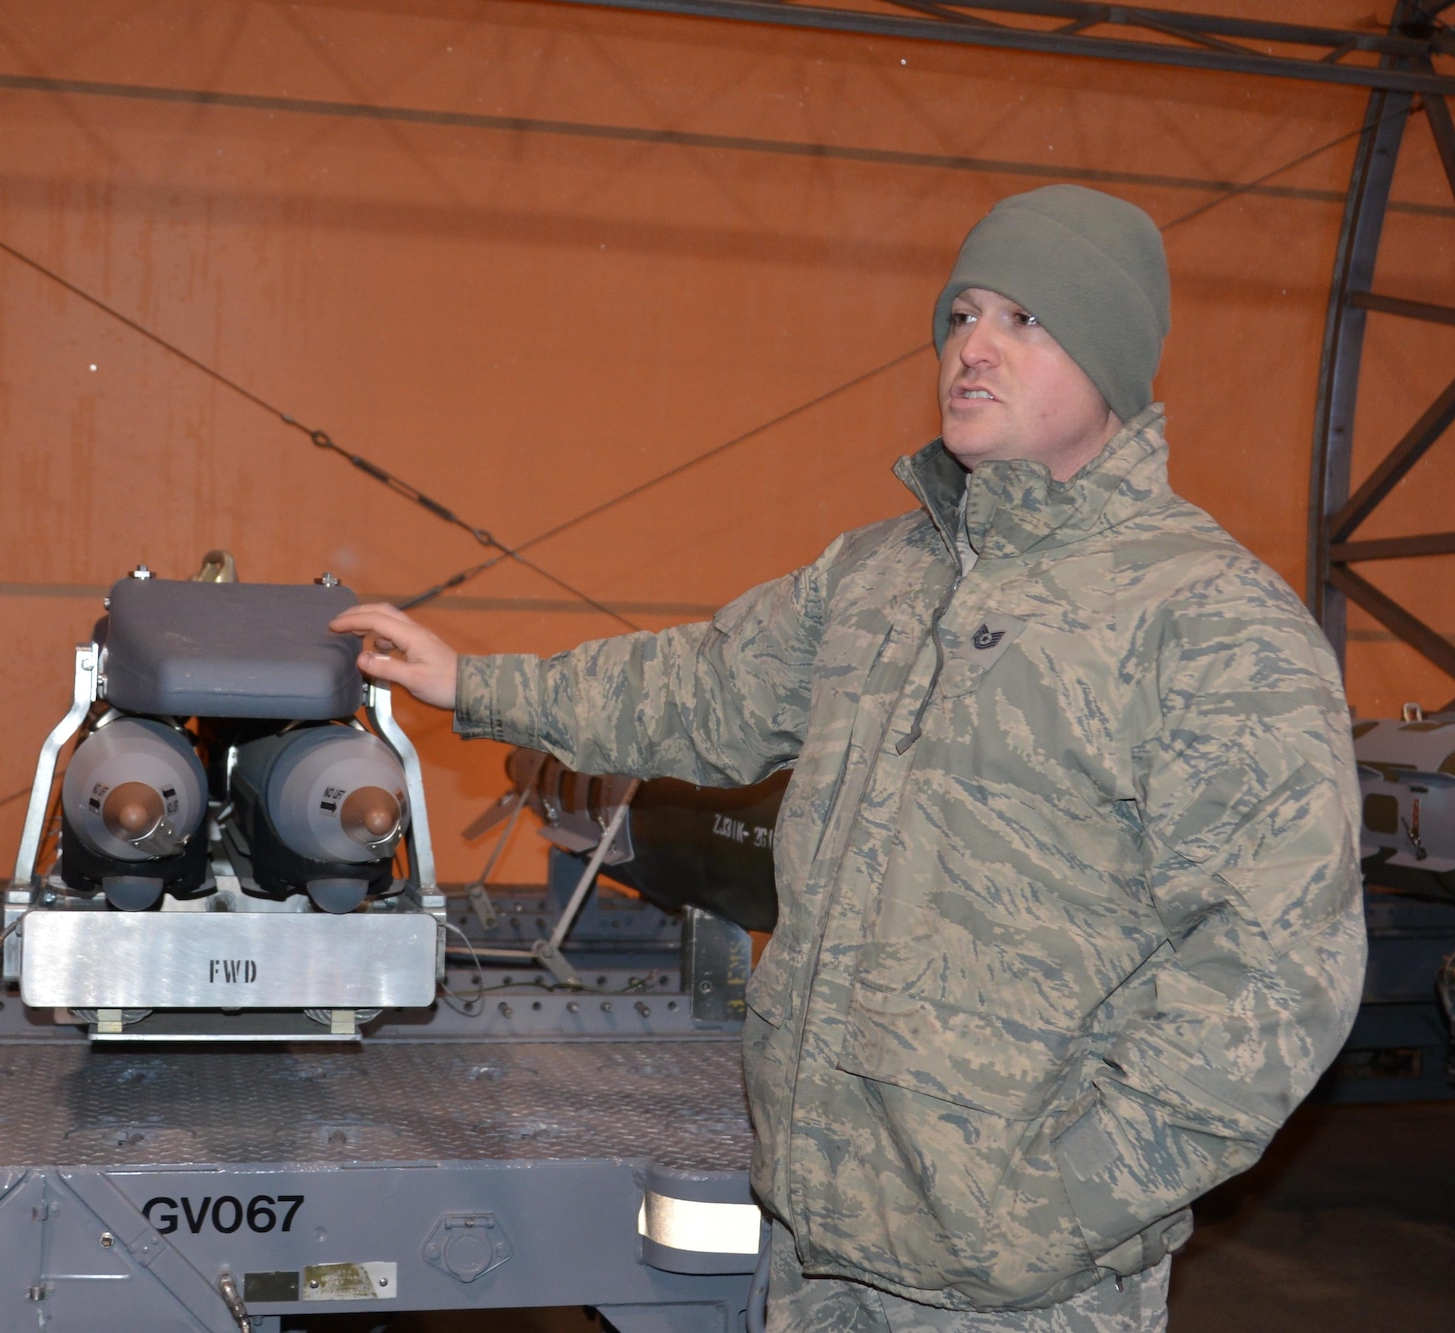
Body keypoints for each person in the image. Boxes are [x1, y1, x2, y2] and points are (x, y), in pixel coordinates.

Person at [332, 184, 1366, 1332]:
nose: (970, 347)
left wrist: (1055, 1208)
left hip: (1020, 1290)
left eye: (1022, 319)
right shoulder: (878, 576)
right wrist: (474, 684)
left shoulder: (1210, 621)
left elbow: (1275, 971)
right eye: (959, 315)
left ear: (1111, 360)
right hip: (819, 1249)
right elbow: (698, 689)